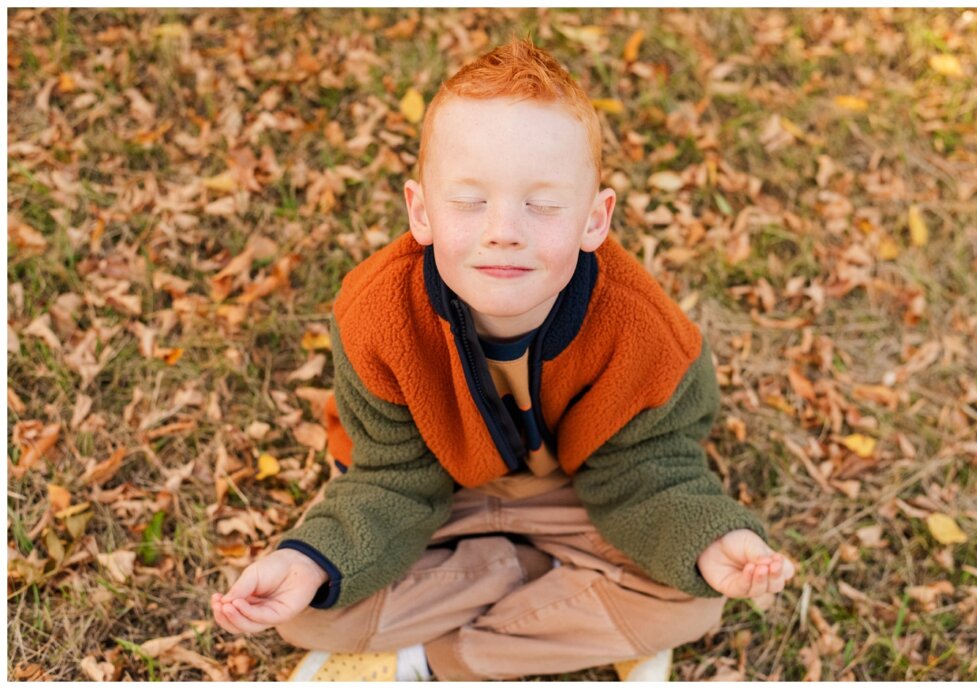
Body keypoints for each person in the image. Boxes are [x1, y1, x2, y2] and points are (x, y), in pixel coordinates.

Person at [210, 37, 795, 681]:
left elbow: (648, 470)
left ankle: (442, 658)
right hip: (434, 494)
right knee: (307, 611)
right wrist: (309, 562)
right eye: (469, 201)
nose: (504, 229)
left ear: (594, 221)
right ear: (421, 211)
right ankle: (527, 574)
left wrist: (710, 539)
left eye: (542, 204)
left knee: (693, 601)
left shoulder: (645, 332)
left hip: (578, 494)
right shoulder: (377, 316)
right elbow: (390, 479)